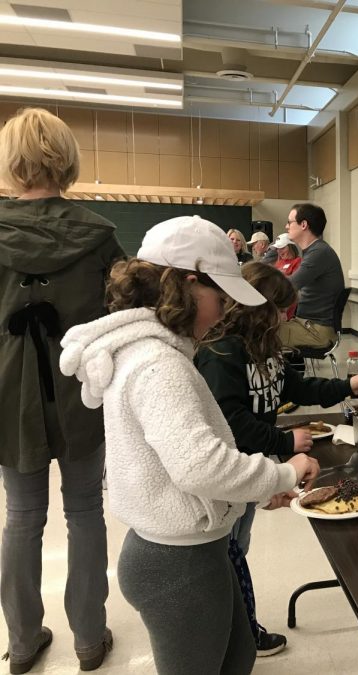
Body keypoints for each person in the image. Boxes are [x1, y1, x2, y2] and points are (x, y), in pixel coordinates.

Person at [59, 216, 320, 675]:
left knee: (237, 656)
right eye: (219, 298)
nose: (222, 313)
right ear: (186, 283)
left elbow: (181, 461)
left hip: (190, 552)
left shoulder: (151, 352)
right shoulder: (159, 365)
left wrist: (257, 490)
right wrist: (285, 472)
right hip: (176, 566)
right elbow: (198, 466)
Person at [0, 107, 123, 673]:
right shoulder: (99, 236)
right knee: (85, 511)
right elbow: (127, 312)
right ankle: (89, 639)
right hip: (82, 388)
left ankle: (22, 644)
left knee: (22, 518)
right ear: (66, 159)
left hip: (8, 393)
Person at [195, 262, 358, 657]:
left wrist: (346, 386)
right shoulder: (221, 353)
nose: (286, 320)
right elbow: (232, 422)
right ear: (258, 308)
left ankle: (237, 629)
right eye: (282, 311)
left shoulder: (266, 349)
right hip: (230, 473)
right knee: (228, 557)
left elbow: (299, 386)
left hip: (254, 471)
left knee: (238, 547)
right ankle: (241, 634)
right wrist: (285, 440)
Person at [279, 203, 345, 349]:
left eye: (290, 222)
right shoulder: (316, 250)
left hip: (316, 331)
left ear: (303, 225)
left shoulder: (318, 253)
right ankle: (287, 371)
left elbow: (288, 286)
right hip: (309, 325)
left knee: (258, 332)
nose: (286, 226)